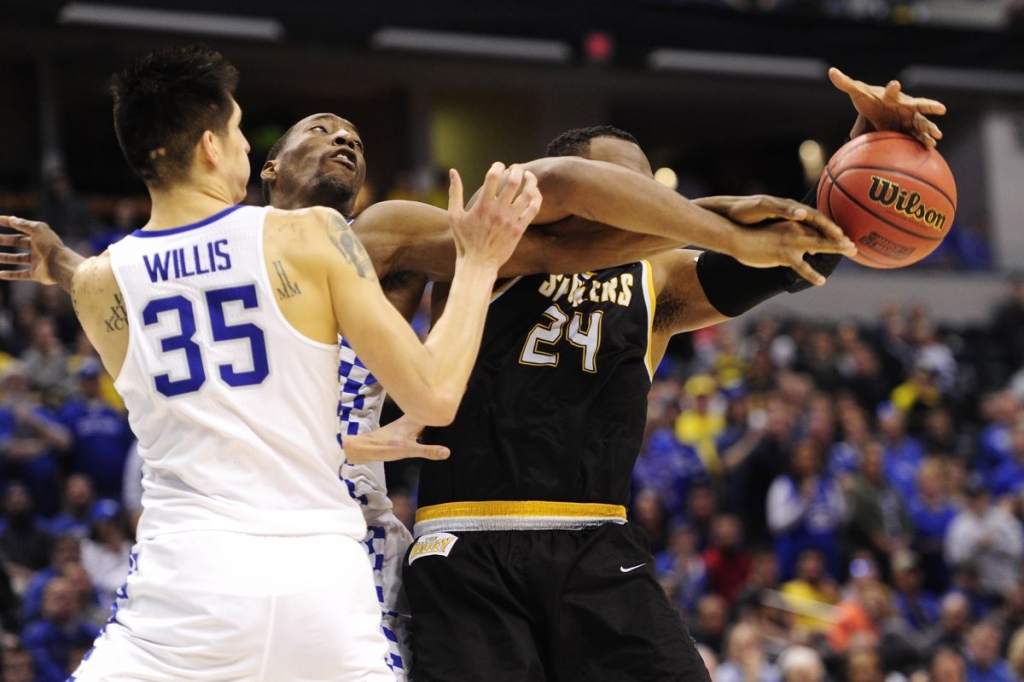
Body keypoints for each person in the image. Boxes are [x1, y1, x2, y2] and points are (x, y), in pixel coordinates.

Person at [0, 43, 542, 681]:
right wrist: (480, 262)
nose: (241, 147)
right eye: (235, 132)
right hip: (323, 584)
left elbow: (95, 276)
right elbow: (435, 397)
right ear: (208, 146)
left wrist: (57, 262)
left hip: (185, 592)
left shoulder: (98, 285)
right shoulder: (308, 234)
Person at [405, 72, 947, 680]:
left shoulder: (657, 281)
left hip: (597, 544)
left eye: (647, 186)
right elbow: (570, 185)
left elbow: (798, 253)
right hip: (467, 541)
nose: (643, 201)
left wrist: (868, 151)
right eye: (622, 185)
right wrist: (711, 220)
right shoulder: (487, 246)